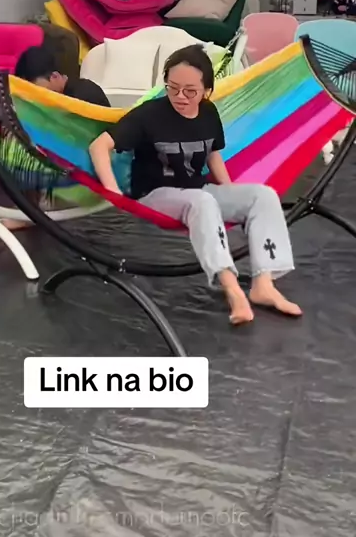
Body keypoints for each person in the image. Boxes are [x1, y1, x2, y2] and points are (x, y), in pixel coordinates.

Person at [88, 44, 302, 326]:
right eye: (173, 88)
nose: (180, 96)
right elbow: (99, 145)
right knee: (203, 202)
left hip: (198, 189)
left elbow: (213, 154)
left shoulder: (208, 113)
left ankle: (263, 285)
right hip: (154, 195)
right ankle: (232, 289)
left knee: (262, 196)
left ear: (206, 91)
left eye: (190, 91)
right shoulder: (149, 115)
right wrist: (113, 192)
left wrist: (230, 190)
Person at [15, 44, 110, 107]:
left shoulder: (80, 98)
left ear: (55, 76)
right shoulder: (72, 90)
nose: (38, 98)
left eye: (41, 91)